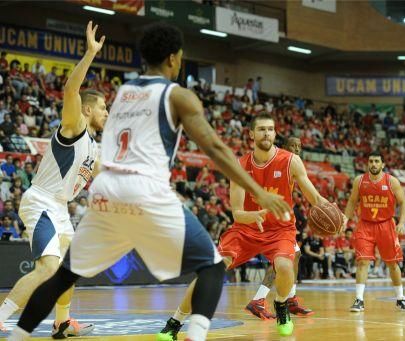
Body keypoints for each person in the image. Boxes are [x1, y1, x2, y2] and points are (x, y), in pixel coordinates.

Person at [7, 22, 289, 341]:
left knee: (62, 276)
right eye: (181, 57)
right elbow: (215, 148)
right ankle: (194, 336)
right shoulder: (177, 95)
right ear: (173, 58)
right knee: (212, 267)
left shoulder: (126, 93)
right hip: (141, 190)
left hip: (107, 194)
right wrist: (257, 191)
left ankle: (20, 335)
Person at [159, 114, 341, 339]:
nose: (267, 133)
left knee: (285, 266)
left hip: (280, 230)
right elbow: (237, 213)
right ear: (251, 134)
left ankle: (281, 305)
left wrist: (336, 214)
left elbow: (314, 197)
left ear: (275, 134)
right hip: (246, 229)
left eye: (271, 129)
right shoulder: (240, 165)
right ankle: (175, 323)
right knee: (211, 271)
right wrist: (252, 215)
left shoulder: (291, 160)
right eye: (262, 129)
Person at [0, 22, 107, 338]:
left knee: (68, 269)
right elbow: (71, 90)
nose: (106, 111)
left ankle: (61, 323)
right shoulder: (74, 128)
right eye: (102, 107)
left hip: (60, 208)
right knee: (47, 269)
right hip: (42, 200)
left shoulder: (94, 146)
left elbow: (104, 175)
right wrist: (89, 54)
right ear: (87, 109)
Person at [246, 136, 314, 320]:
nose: (297, 149)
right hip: (268, 220)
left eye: (299, 146)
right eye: (293, 146)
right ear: (283, 147)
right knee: (284, 260)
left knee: (293, 256)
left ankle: (286, 298)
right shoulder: (274, 162)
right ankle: (264, 300)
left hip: (279, 220)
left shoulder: (291, 165)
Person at [344, 151, 405, 313]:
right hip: (365, 225)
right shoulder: (359, 181)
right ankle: (359, 300)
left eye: (376, 161)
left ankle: (400, 298)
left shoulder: (391, 181)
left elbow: (403, 203)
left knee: (392, 263)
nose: (373, 164)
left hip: (386, 225)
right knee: (362, 262)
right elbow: (352, 201)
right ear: (368, 163)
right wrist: (345, 220)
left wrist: (402, 222)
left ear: (383, 165)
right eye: (371, 161)